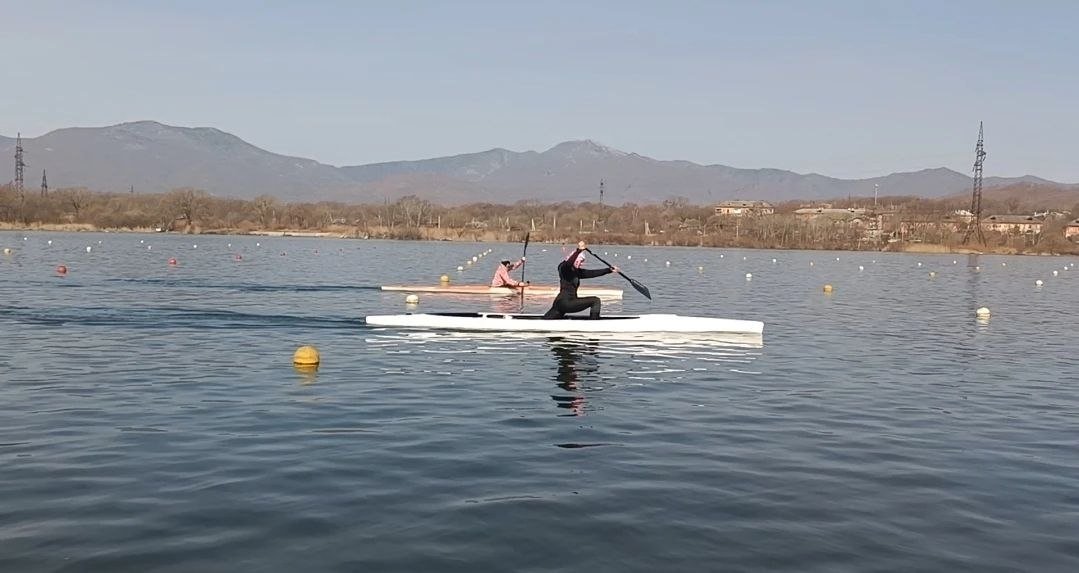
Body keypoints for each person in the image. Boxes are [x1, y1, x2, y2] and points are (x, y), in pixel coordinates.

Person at [542, 240, 618, 319]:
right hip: (565, 302)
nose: (582, 263)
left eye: (582, 261)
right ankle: (594, 324)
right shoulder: (563, 267)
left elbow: (592, 273)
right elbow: (569, 263)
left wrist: (609, 270)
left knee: (545, 321)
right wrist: (579, 250)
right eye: (580, 261)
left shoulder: (576, 271)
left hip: (561, 304)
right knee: (595, 301)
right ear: (575, 259)